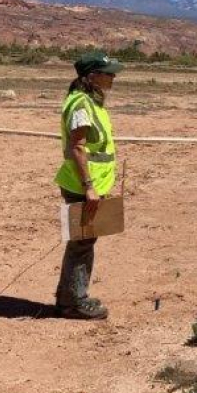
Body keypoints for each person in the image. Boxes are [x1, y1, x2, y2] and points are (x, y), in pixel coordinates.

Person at [52, 50, 124, 320]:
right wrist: (90, 187)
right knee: (81, 243)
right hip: (82, 184)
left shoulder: (90, 102)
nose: (113, 77)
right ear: (92, 76)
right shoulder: (81, 104)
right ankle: (73, 302)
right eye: (109, 73)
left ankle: (69, 296)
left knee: (84, 240)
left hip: (89, 183)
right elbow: (79, 148)